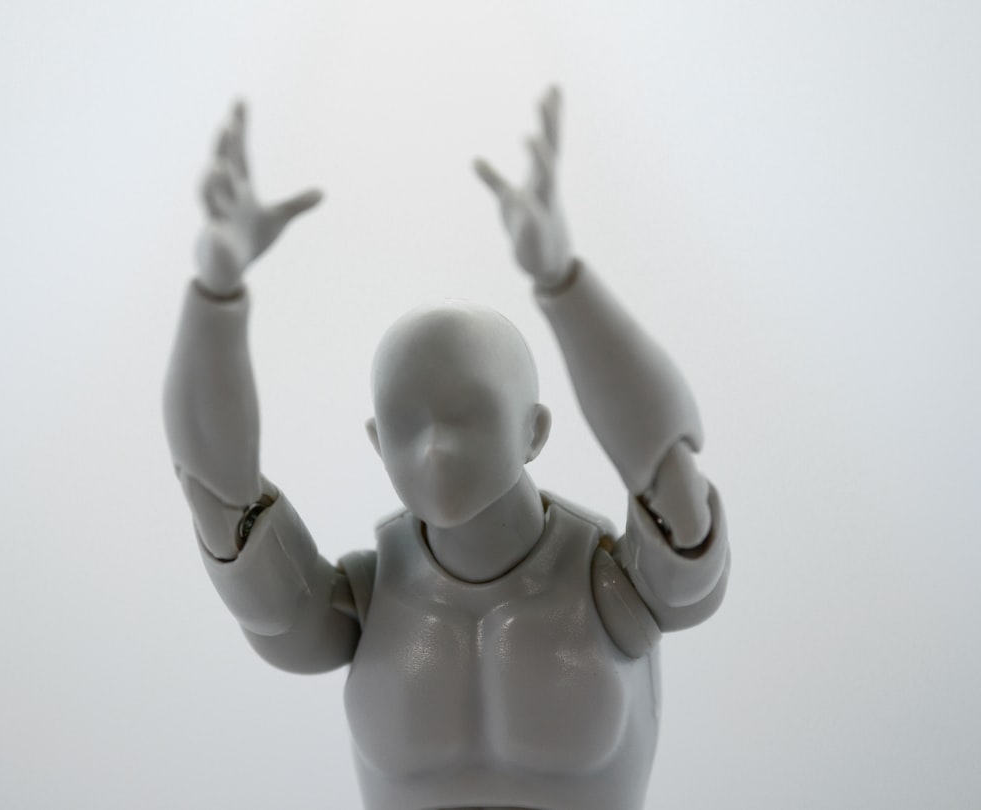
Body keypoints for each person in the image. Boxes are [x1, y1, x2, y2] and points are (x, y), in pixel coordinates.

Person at [164, 88, 729, 810]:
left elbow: (673, 487)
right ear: (375, 442)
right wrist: (214, 294)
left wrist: (564, 284)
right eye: (405, 421)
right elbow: (217, 496)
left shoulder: (617, 588)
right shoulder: (361, 602)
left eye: (468, 413)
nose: (435, 446)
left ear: (534, 430)